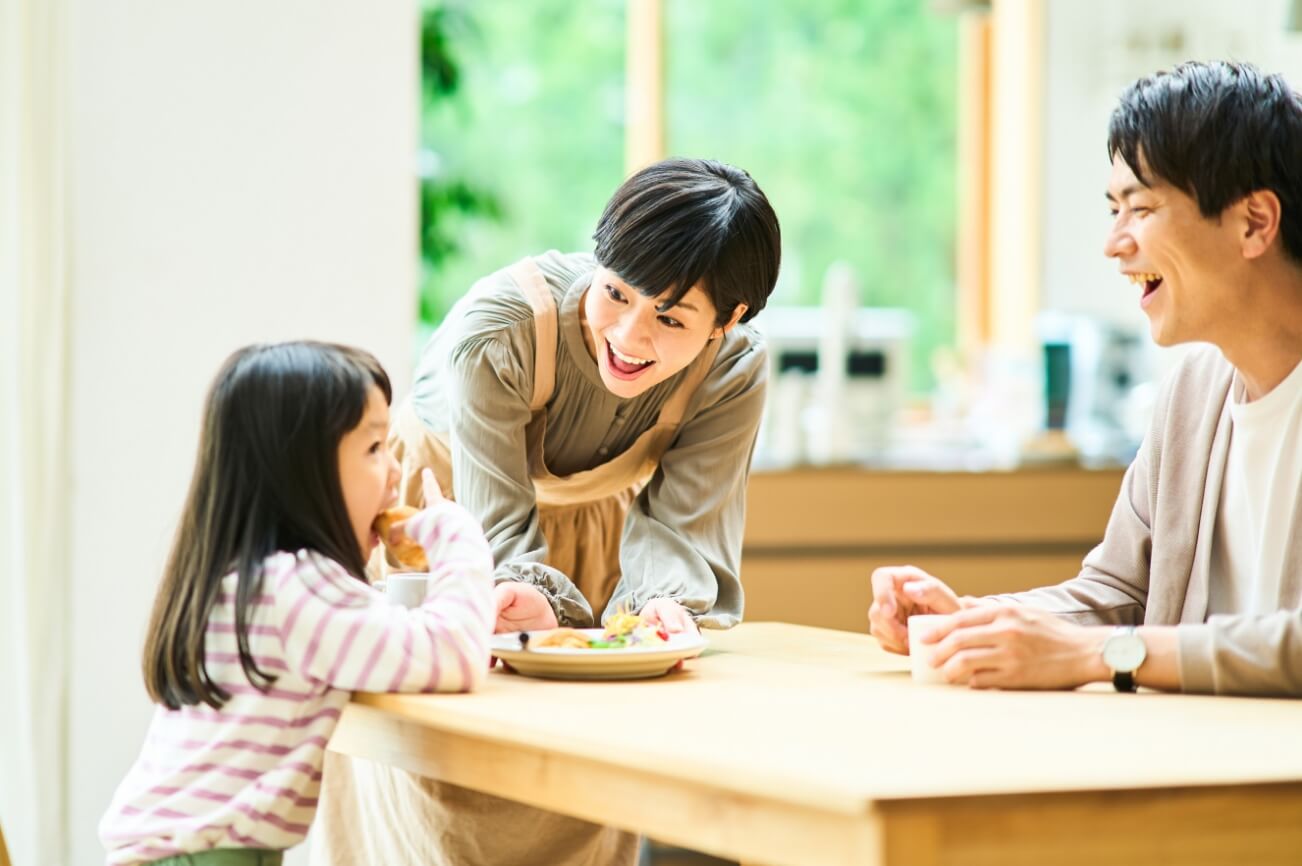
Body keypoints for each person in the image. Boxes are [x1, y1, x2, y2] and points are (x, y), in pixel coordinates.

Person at [313, 157, 782, 866]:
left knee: (585, 773)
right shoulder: (498, 331)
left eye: (670, 316)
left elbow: (684, 525)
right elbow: (493, 526)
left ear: (729, 320)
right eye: (616, 292)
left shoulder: (734, 371)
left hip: (596, 533)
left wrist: (656, 612)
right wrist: (521, 593)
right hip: (443, 528)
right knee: (443, 783)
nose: (630, 336)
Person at [869, 60, 1302, 696]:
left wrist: (1105, 654)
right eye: (1113, 210)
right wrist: (973, 624)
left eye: (1140, 208)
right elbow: (1116, 593)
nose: (1114, 243)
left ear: (1255, 222)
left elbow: (1109, 641)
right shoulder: (1192, 393)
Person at [99, 342, 495, 866]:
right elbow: (454, 655)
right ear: (304, 473)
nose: (395, 470)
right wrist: (457, 537)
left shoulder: (241, 580)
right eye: (375, 448)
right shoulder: (298, 587)